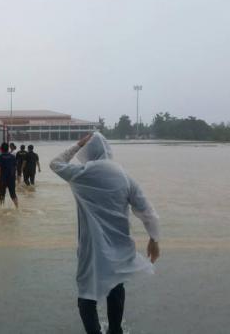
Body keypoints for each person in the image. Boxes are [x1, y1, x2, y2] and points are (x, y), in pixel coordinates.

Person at [49, 132, 160, 334]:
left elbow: (55, 164)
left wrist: (76, 145)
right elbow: (147, 211)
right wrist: (154, 239)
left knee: (86, 294)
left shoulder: (82, 173)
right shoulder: (124, 177)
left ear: (87, 152)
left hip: (91, 247)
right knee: (116, 287)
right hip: (120, 245)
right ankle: (115, 330)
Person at [0, 142, 18, 208]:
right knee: (13, 194)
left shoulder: (0, 157)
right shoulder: (13, 157)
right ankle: (17, 207)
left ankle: (2, 207)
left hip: (3, 179)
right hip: (11, 178)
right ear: (8, 149)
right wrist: (15, 177)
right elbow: (15, 168)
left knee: (2, 194)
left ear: (1, 149)